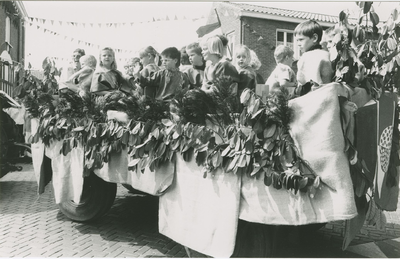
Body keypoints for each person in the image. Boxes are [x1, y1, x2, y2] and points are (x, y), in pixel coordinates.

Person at [294, 20, 334, 94]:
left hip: (312, 97)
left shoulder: (306, 57)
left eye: (301, 40)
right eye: (297, 41)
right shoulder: (327, 54)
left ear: (314, 38)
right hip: (328, 95)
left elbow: (303, 82)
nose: (298, 44)